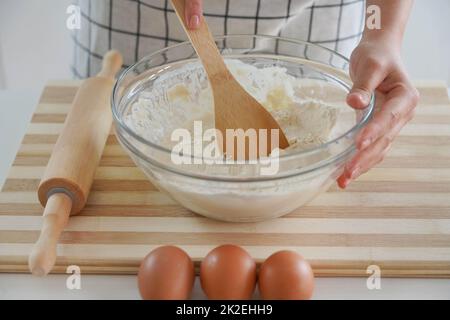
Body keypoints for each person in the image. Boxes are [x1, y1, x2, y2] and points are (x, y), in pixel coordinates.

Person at [73, 0, 419, 188]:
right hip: (145, 27)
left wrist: (381, 33)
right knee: (128, 108)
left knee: (327, 117)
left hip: (314, 27)